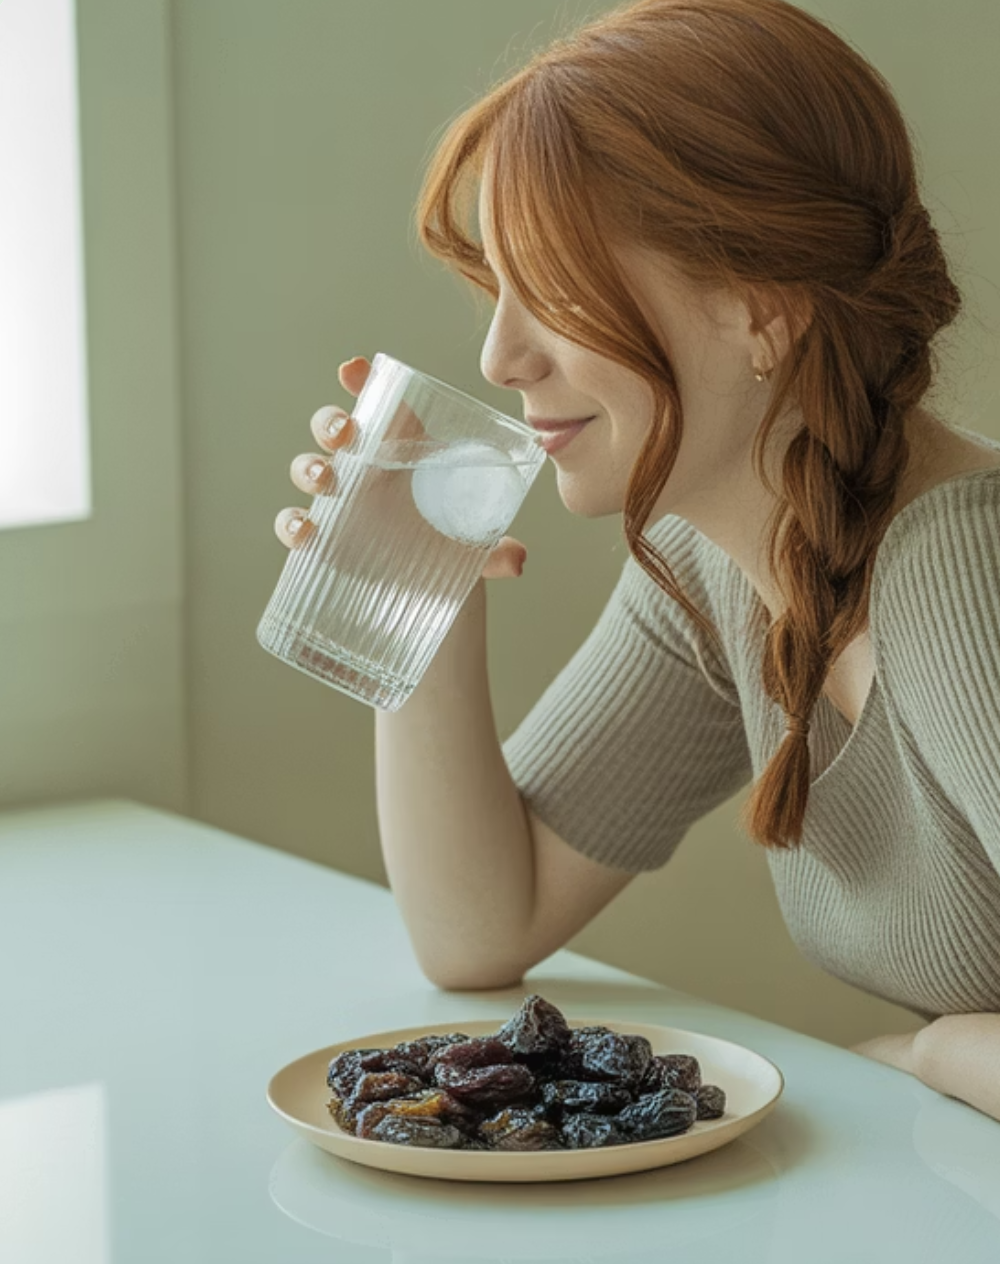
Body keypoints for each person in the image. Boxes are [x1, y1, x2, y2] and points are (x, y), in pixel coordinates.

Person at [275, 0, 1000, 1070]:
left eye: (558, 289)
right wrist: (425, 588)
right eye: (500, 286)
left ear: (761, 306)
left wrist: (923, 1055)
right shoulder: (717, 561)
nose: (498, 354)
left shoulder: (962, 572)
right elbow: (479, 927)